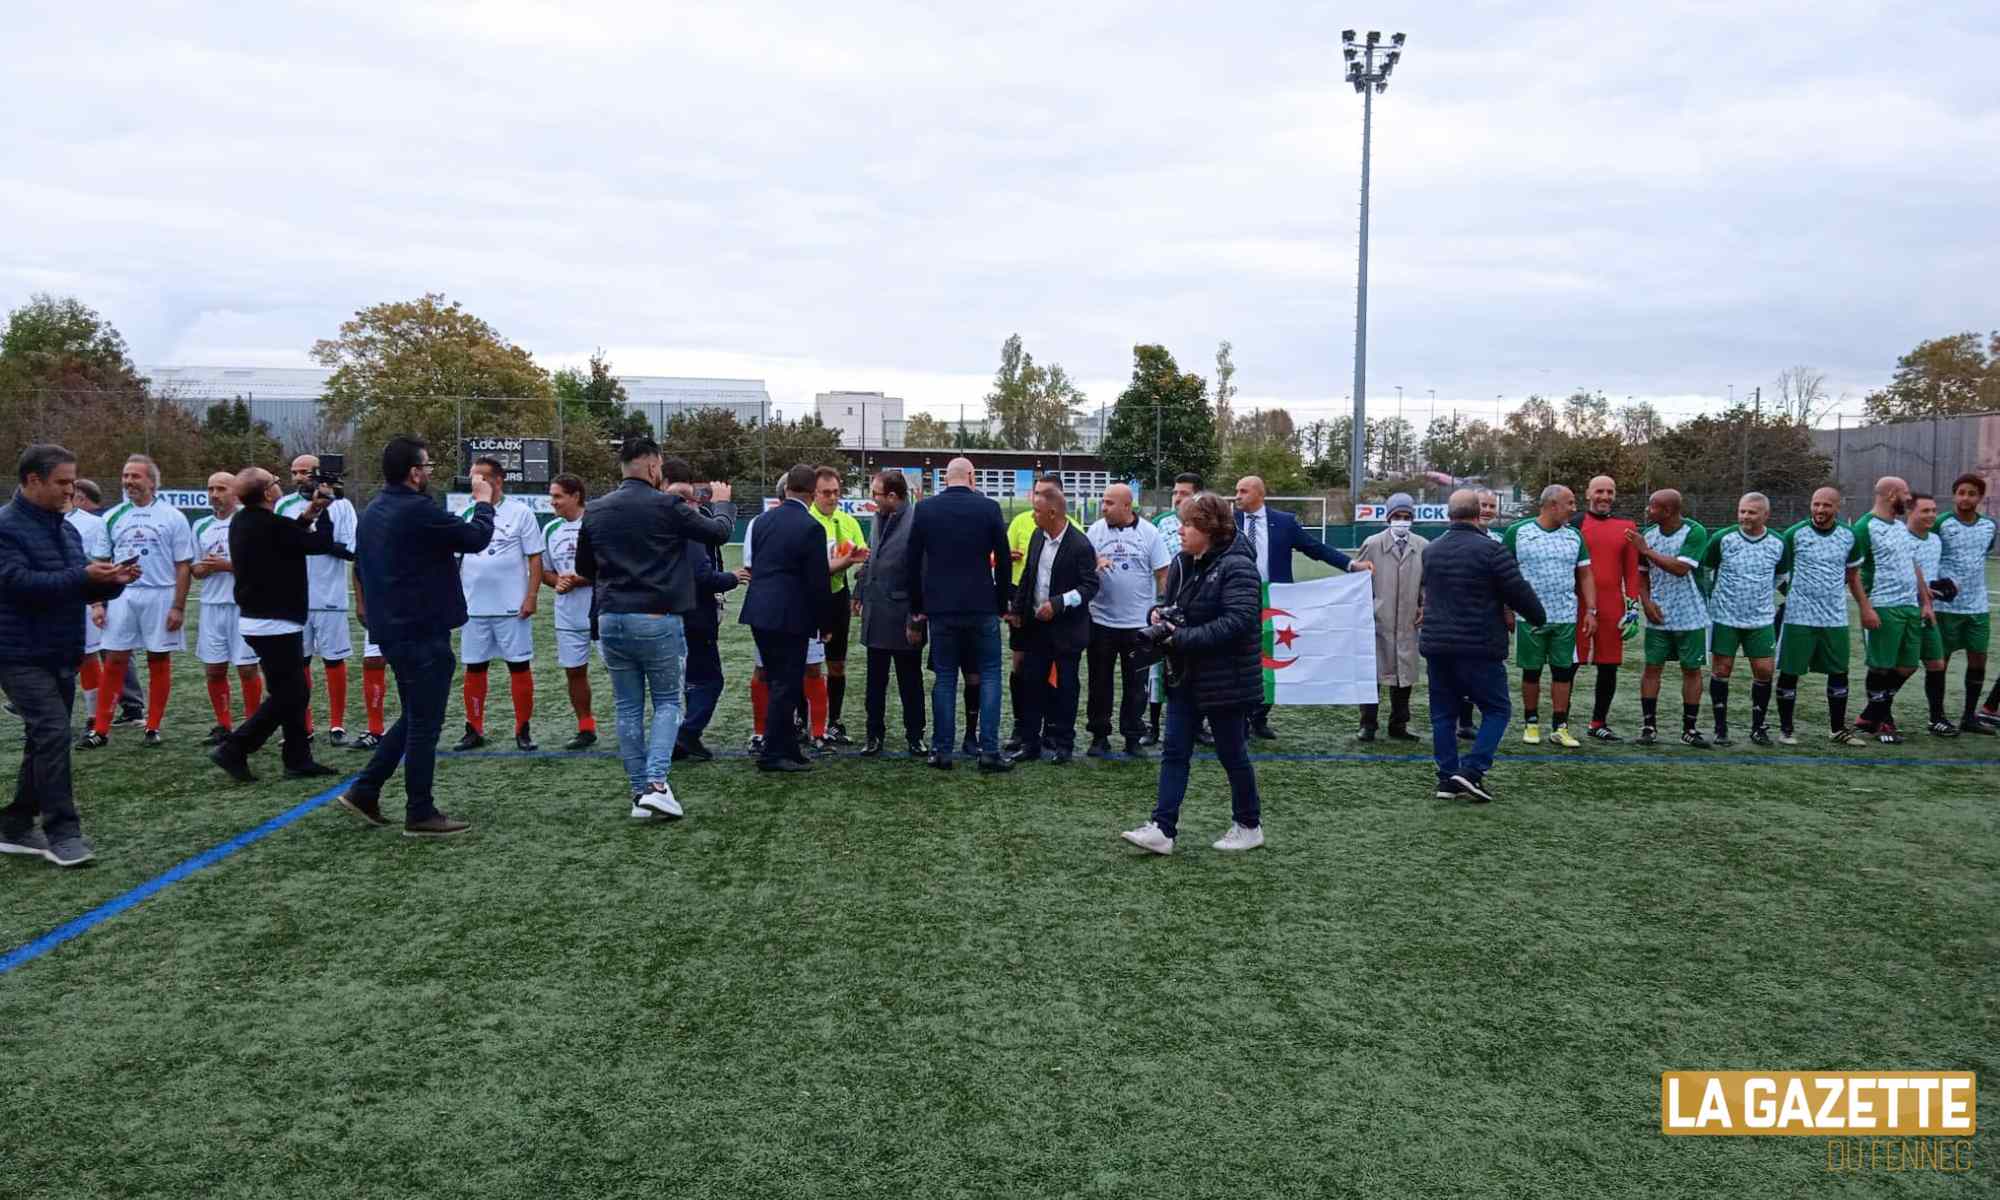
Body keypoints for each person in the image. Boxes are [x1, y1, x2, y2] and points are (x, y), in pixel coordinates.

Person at [339, 436, 495, 837]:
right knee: (426, 722)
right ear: (413, 473)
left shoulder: (373, 510)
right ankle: (420, 811)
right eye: (426, 467)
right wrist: (483, 502)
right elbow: (475, 538)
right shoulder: (417, 509)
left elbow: (361, 568)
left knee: (413, 716)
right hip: (421, 631)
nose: (429, 473)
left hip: (392, 629)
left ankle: (365, 790)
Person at [575, 443, 735, 812]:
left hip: (611, 618)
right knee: (666, 703)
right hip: (656, 618)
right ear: (651, 467)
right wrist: (724, 503)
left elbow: (586, 568)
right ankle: (656, 784)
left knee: (627, 707)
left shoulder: (596, 509)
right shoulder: (667, 505)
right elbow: (718, 532)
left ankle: (639, 794)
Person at [0, 445, 138, 867]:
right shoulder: (5, 527)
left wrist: (112, 582)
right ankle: (63, 833)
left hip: (61, 648)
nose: (70, 490)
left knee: (43, 739)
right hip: (17, 651)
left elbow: (74, 586)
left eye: (72, 481)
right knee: (54, 733)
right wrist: (82, 576)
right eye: (62, 482)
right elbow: (17, 582)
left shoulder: (67, 529)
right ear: (32, 481)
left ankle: (16, 823)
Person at [1119, 492, 1265, 853]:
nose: (1179, 530)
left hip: (1226, 679)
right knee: (1174, 751)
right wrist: (1159, 614)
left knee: (1233, 755)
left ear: (1209, 528)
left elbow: (1238, 622)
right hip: (1185, 675)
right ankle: (1163, 828)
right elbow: (1175, 606)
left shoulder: (1238, 566)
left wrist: (1180, 637)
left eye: (1187, 524)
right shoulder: (1186, 562)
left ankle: (1249, 824)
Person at [208, 468, 341, 783]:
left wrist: (310, 511)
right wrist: (327, 509)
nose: (280, 486)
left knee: (291, 691)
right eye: (275, 483)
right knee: (290, 695)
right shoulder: (272, 525)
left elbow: (288, 535)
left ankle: (297, 757)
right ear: (267, 494)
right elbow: (320, 543)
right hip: (276, 623)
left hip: (258, 619)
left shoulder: (244, 521)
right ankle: (236, 747)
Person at [1416, 489, 1547, 802]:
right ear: (1479, 515)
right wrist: (1538, 617)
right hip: (1479, 646)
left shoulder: (1431, 551)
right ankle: (1472, 771)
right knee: (1498, 710)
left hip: (1437, 645)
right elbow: (1518, 591)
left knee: (1443, 716)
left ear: (1449, 516)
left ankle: (1446, 779)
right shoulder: (1491, 550)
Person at [1233, 474, 1370, 739]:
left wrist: (1351, 565)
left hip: (1276, 602)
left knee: (1273, 658)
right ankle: (1239, 718)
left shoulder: (1284, 522)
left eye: (1243, 491)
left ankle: (1259, 717)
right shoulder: (1229, 521)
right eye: (1237, 491)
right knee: (1241, 659)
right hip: (1238, 600)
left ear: (1260, 494)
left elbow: (1314, 548)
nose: (1237, 496)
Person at [904, 456, 1013, 772]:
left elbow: (912, 562)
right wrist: (1002, 602)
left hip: (941, 607)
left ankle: (942, 750)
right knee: (990, 674)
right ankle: (989, 751)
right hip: (982, 604)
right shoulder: (988, 508)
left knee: (946, 677)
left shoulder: (926, 509)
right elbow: (1003, 560)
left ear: (946, 478)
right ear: (971, 476)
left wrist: (917, 606)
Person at [88, 454, 194, 748]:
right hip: (121, 596)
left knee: (158, 658)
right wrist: (97, 603)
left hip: (160, 595)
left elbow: (183, 565)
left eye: (135, 476)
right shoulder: (112, 516)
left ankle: (153, 726)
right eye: (125, 476)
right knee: (114, 658)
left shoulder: (173, 517)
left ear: (151, 481)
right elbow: (99, 561)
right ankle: (100, 729)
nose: (128, 482)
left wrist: (178, 606)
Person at [740, 464, 832, 773]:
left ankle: (788, 748)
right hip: (789, 616)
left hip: (759, 612)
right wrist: (825, 623)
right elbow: (817, 581)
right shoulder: (811, 527)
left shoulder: (763, 521)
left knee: (781, 682)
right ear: (811, 492)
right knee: (786, 685)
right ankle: (773, 754)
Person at [452, 456, 545, 751]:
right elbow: (454, 560)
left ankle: (522, 729)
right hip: (473, 608)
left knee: (518, 667)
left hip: (511, 607)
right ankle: (474, 728)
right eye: (472, 478)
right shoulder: (464, 513)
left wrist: (531, 595)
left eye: (480, 478)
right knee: (474, 668)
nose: (474, 484)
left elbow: (534, 557)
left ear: (497, 481)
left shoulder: (521, 513)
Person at [1006, 476, 1100, 764]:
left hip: (1067, 630)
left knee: (1066, 687)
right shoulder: (1037, 536)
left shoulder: (1080, 544)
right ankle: (1031, 743)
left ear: (1053, 513)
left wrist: (1058, 604)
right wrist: (1017, 611)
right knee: (1032, 684)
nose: (1032, 515)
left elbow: (1090, 587)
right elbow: (1028, 577)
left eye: (1036, 510)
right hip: (1036, 628)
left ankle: (1063, 744)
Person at [1500, 484, 1595, 747]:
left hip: (1565, 617)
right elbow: (1503, 575)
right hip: (1529, 617)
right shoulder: (1518, 532)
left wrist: (1592, 611)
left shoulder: (1574, 536)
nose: (1574, 509)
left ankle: (1560, 727)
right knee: (1532, 672)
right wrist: (1506, 608)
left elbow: (1586, 574)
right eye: (1570, 503)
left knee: (1563, 672)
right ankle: (1531, 724)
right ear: (1553, 505)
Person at [276, 454, 359, 745]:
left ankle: (337, 725)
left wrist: (316, 539)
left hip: (330, 597)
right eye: (294, 472)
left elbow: (351, 549)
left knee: (334, 661)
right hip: (295, 597)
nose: (298, 477)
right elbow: (280, 546)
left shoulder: (343, 506)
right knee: (300, 663)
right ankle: (304, 724)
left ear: (319, 474)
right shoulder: (283, 506)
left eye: (304, 472)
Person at [1084, 482, 1170, 757]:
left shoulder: (1149, 533)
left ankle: (1132, 736)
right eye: (1103, 501)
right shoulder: (1095, 531)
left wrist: (1162, 607)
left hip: (1138, 625)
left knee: (1136, 685)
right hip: (1101, 621)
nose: (1103, 507)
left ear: (1126, 505)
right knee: (1099, 683)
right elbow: (1082, 565)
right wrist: (1093, 562)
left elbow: (1162, 573)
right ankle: (1099, 736)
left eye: (1109, 502)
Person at [1773, 486, 1863, 744]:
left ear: (1837, 507)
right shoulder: (1794, 534)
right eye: (1816, 504)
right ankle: (1786, 730)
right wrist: (1793, 593)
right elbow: (1778, 572)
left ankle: (1837, 730)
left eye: (1826, 505)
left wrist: (1830, 591)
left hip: (1834, 617)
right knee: (1790, 672)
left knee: (1839, 671)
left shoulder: (1849, 535)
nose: (1820, 510)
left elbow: (1852, 574)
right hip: (1798, 617)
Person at [1698, 492, 1786, 746]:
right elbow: (1706, 571)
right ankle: (1720, 727)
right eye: (1742, 511)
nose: (1745, 516)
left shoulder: (1778, 543)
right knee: (1722, 669)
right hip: (1725, 617)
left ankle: (1758, 727)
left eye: (1752, 512)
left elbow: (1781, 576)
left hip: (1760, 619)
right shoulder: (1722, 539)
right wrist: (1712, 600)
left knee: (1764, 670)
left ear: (1765, 515)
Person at [664, 481, 740, 763]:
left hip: (667, 612)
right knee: (710, 680)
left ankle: (679, 736)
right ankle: (687, 733)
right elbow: (702, 576)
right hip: (694, 613)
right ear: (692, 502)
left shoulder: (658, 526)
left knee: (680, 680)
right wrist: (733, 577)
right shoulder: (690, 529)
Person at [1851, 476, 1931, 743]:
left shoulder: (1899, 526)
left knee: (1908, 666)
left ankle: (1871, 712)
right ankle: (1882, 721)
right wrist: (1866, 608)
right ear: (1892, 494)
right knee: (1881, 667)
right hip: (1883, 606)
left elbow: (1914, 564)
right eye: (1906, 494)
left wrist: (1925, 602)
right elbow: (1853, 573)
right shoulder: (1865, 527)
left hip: (1909, 606)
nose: (1909, 499)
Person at [1629, 489, 1711, 746]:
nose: (1647, 511)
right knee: (1652, 668)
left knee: (1691, 670)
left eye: (1652, 507)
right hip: (1659, 614)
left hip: (1691, 615)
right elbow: (1642, 575)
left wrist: (1647, 550)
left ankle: (1689, 729)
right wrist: (1646, 601)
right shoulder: (1649, 535)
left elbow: (1680, 568)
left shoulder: (1695, 532)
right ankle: (1649, 727)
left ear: (1668, 511)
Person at [854, 470, 926, 758]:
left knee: (910, 681)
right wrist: (858, 591)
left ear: (893, 497)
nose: (873, 499)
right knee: (875, 683)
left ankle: (915, 736)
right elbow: (872, 557)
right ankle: (874, 735)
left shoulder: (917, 522)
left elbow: (921, 576)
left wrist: (915, 619)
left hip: (904, 617)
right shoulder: (877, 519)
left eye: (876, 494)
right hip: (876, 614)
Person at [191, 470, 265, 746]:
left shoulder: (248, 522)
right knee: (214, 669)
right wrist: (202, 568)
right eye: (211, 489)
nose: (214, 495)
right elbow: (195, 569)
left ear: (235, 492)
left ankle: (253, 725)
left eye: (221, 488)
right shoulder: (200, 526)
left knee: (247, 668)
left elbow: (259, 566)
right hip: (212, 606)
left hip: (243, 605)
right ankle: (223, 725)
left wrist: (225, 566)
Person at [1352, 491, 1427, 741]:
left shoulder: (1422, 546)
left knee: (1404, 674)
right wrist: (1365, 609)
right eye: (1398, 515)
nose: (1403, 520)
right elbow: (1356, 580)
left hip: (1407, 620)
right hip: (1377, 620)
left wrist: (1423, 605)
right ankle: (1368, 724)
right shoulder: (1372, 544)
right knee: (1371, 673)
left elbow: (1427, 583)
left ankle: (1399, 724)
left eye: (1407, 516)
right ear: (1389, 517)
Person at [1574, 474, 1640, 740]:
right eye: (1599, 491)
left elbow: (1632, 571)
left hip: (1613, 605)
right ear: (1588, 493)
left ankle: (1598, 723)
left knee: (1609, 666)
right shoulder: (1575, 523)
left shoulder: (1626, 526)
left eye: (1610, 492)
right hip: (1578, 604)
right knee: (1570, 664)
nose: (1605, 497)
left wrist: (1633, 606)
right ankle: (1561, 723)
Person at [807, 465, 868, 745]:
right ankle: (802, 720)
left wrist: (857, 562)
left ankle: (834, 722)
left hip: (838, 597)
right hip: (808, 600)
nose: (831, 498)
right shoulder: (806, 521)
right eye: (825, 493)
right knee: (807, 665)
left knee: (837, 665)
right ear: (813, 493)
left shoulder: (848, 521)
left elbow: (863, 554)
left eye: (835, 492)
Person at [1932, 473, 1995, 735]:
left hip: (1978, 607)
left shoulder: (1990, 526)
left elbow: (1984, 553)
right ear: (1954, 495)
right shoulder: (1941, 523)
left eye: (1971, 493)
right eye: (1961, 492)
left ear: (1980, 497)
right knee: (1940, 663)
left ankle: (1969, 717)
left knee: (1978, 659)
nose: (1965, 498)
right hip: (1947, 608)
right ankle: (1938, 716)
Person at [1142, 473, 1202, 745]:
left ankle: (1197, 726)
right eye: (1175, 493)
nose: (1178, 498)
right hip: (1163, 607)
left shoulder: (1207, 528)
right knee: (1157, 666)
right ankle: (1153, 726)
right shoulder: (1159, 524)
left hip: (1196, 609)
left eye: (1184, 493)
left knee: (1196, 665)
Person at [540, 473, 598, 750]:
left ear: (576, 496)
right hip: (567, 615)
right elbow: (545, 571)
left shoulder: (597, 523)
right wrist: (558, 581)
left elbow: (612, 567)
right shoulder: (551, 529)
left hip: (601, 611)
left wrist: (580, 579)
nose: (553, 502)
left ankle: (628, 724)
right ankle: (585, 727)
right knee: (574, 672)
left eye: (557, 496)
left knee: (620, 671)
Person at [1456, 488, 1508, 741]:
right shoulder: (1452, 538)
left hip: (1492, 617)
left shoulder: (1500, 540)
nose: (1487, 510)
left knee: (1486, 671)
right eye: (1482, 505)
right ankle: (1463, 721)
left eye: (1491, 506)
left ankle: (1482, 716)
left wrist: (1507, 611)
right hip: (1463, 616)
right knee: (1463, 671)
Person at [65, 477, 113, 742]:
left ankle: (95, 716)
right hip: (46, 602)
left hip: (83, 601)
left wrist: (97, 603)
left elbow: (98, 564)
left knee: (88, 657)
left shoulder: (94, 524)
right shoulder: (34, 522)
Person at [1906, 495, 1955, 736]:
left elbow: (1929, 574)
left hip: (1927, 610)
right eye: (1925, 510)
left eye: (1934, 511)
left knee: (1936, 663)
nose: (1931, 515)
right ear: (1910, 512)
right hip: (1903, 609)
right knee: (1902, 667)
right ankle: (1880, 714)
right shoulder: (1901, 538)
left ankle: (1937, 718)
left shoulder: (1935, 540)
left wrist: (1942, 589)